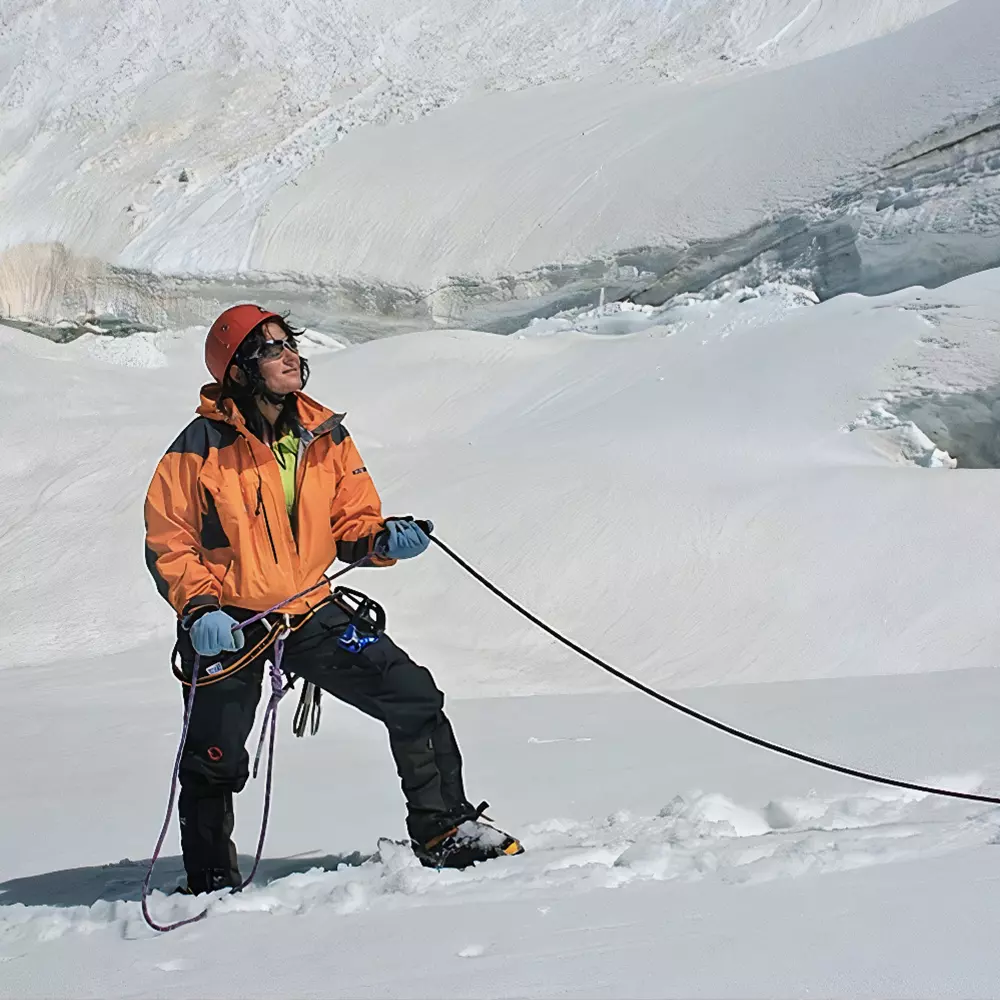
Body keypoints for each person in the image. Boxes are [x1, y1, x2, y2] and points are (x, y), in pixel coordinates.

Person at [144, 304, 521, 894]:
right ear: (238, 370)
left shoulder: (324, 434)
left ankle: (444, 830)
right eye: (270, 349)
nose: (289, 355)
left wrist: (380, 538)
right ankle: (211, 878)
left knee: (413, 695)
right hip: (231, 623)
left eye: (288, 343)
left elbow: (351, 523)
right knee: (214, 755)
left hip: (309, 611)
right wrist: (199, 609)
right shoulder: (196, 449)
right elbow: (170, 540)